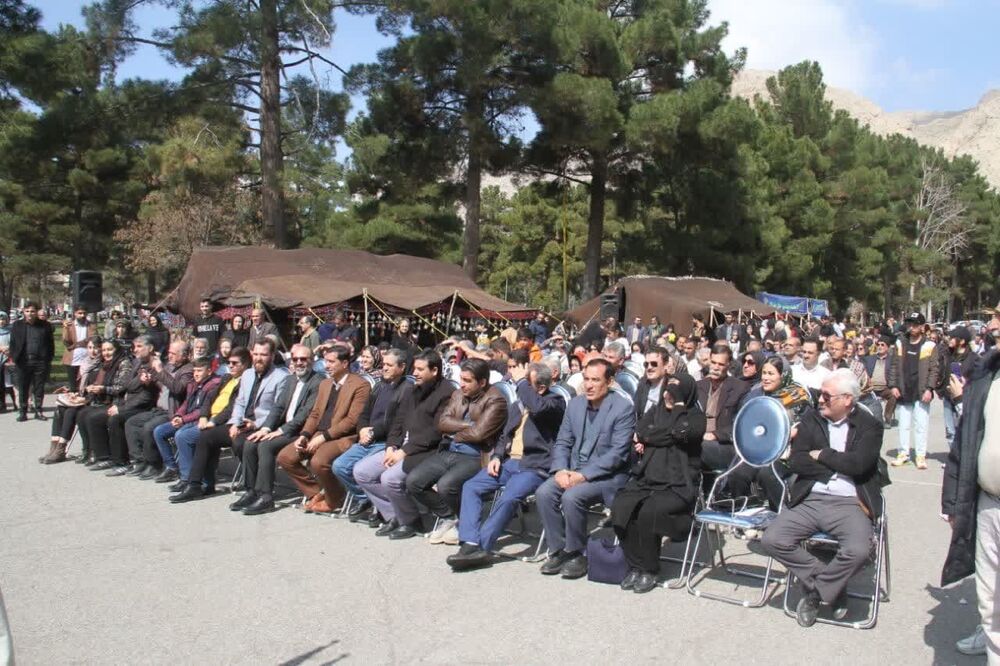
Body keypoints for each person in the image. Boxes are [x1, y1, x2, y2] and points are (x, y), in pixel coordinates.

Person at [761, 369, 885, 627]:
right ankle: (833, 586)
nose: (820, 400)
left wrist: (825, 455)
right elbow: (796, 461)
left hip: (850, 502)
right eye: (820, 394)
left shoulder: (870, 425)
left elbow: (860, 465)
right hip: (812, 497)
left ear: (847, 399)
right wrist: (839, 464)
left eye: (827, 396)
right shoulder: (811, 419)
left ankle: (816, 593)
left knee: (859, 550)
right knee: (773, 539)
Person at [447, 361, 564, 570]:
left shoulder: (554, 403)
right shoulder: (518, 405)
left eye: (527, 384)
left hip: (534, 466)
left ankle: (482, 546)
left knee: (509, 496)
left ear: (541, 387)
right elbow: (504, 435)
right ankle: (470, 542)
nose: (521, 389)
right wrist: (497, 457)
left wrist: (520, 381)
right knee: (471, 487)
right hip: (509, 462)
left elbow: (537, 407)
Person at [536, 358, 635, 579]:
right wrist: (560, 469)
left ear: (609, 382)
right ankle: (559, 549)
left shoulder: (622, 408)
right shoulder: (576, 404)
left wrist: (583, 475)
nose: (588, 385)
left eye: (595, 380)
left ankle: (576, 553)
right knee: (544, 492)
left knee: (572, 497)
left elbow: (618, 454)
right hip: (572, 469)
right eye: (586, 379)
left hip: (607, 476)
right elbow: (562, 442)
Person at [612, 373, 706, 593]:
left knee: (647, 512)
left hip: (678, 484)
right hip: (648, 478)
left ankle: (650, 568)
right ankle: (635, 564)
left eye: (675, 392)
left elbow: (682, 434)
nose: (669, 395)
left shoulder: (695, 417)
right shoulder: (655, 411)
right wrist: (660, 434)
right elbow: (641, 431)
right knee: (621, 506)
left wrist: (678, 411)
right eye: (667, 389)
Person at [170, 339, 289, 502]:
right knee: (206, 436)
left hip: (261, 426)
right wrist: (234, 423)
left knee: (241, 443)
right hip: (240, 423)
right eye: (256, 354)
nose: (259, 358)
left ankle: (252, 489)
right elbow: (239, 402)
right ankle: (195, 485)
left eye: (264, 354)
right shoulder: (247, 374)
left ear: (272, 355)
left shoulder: (281, 377)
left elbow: (278, 410)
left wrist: (255, 424)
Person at [354, 350, 454, 539]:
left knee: (390, 478)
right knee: (362, 471)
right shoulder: (413, 389)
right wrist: (391, 446)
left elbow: (435, 433)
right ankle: (395, 516)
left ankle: (411, 522)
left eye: (420, 369)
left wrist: (404, 452)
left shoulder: (446, 393)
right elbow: (398, 423)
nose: (414, 373)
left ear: (434, 371)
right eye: (414, 368)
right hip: (401, 447)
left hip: (427, 450)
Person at [407, 358, 507, 546]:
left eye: (468, 381)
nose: (462, 384)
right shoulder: (458, 394)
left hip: (476, 455)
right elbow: (442, 423)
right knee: (414, 482)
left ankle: (465, 524)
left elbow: (479, 434)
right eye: (461, 379)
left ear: (482, 382)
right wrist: (469, 425)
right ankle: (450, 517)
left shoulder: (496, 400)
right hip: (450, 450)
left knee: (447, 485)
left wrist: (457, 433)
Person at [941, 347, 1000, 660]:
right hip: (989, 503)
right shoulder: (987, 377)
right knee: (989, 595)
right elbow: (964, 443)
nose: (994, 324)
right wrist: (953, 502)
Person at [275, 345, 371, 514]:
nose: (326, 366)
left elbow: (351, 421)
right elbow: (315, 414)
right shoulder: (325, 384)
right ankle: (318, 491)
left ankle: (334, 499)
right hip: (319, 434)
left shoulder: (360, 385)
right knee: (285, 457)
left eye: (331, 362)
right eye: (325, 361)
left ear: (345, 363)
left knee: (318, 462)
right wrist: (304, 435)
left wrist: (323, 437)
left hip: (343, 437)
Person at [229, 344, 324, 515]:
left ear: (312, 361)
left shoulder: (318, 382)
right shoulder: (290, 379)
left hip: (301, 432)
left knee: (265, 446)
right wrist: (266, 428)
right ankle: (251, 491)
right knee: (251, 442)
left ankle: (266, 497)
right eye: (296, 359)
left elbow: (305, 414)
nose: (300, 363)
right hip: (283, 428)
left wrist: (280, 431)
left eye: (304, 359)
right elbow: (278, 408)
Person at [332, 349, 409, 524]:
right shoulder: (379, 386)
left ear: (402, 367)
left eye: (389, 365)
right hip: (367, 437)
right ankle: (367, 498)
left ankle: (383, 508)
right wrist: (362, 429)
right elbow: (364, 413)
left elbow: (397, 423)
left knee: (362, 469)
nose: (385, 369)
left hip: (385, 441)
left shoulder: (406, 390)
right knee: (339, 466)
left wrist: (373, 432)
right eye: (383, 365)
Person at [725, 356, 813, 509]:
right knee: (738, 473)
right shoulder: (756, 395)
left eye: (771, 374)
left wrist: (793, 431)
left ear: (783, 375)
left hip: (787, 452)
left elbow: (808, 426)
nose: (765, 378)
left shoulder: (798, 396)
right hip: (760, 448)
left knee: (767, 474)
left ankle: (779, 513)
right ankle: (744, 512)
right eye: (764, 373)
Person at [166, 347, 250, 495]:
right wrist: (204, 416)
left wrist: (213, 421)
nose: (230, 366)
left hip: (225, 422)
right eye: (229, 362)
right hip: (207, 418)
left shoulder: (245, 382)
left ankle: (192, 481)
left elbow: (232, 408)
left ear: (245, 365)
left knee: (186, 436)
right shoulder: (227, 378)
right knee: (180, 433)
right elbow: (209, 399)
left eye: (235, 363)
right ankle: (199, 481)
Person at [117, 339, 194, 479]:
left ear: (184, 355)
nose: (169, 356)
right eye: (169, 352)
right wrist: (149, 381)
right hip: (158, 409)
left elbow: (177, 388)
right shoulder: (170, 367)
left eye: (173, 353)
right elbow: (162, 384)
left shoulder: (188, 370)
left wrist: (159, 370)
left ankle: (154, 464)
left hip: (172, 412)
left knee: (149, 427)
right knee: (132, 422)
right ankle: (140, 461)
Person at [80, 338, 156, 472]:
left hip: (142, 407)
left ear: (150, 348)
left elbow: (145, 396)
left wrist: (121, 408)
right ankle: (103, 457)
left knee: (115, 418)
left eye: (139, 346)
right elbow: (126, 385)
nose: (135, 349)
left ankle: (121, 462)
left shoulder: (151, 365)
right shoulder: (137, 362)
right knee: (90, 416)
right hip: (126, 403)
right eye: (134, 346)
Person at [147, 358, 221, 483]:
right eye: (195, 371)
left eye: (200, 371)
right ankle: (171, 467)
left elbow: (203, 410)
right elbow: (186, 403)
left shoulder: (213, 384)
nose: (196, 374)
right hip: (186, 419)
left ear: (209, 371)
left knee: (181, 435)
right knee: (159, 431)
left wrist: (183, 419)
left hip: (202, 421)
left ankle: (186, 478)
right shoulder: (192, 383)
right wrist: (178, 415)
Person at [889, 312, 940, 470]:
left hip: (921, 391)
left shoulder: (930, 345)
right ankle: (903, 453)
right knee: (903, 424)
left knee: (921, 425)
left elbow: (934, 370)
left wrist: (930, 389)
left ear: (923, 327)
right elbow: (894, 366)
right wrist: (893, 386)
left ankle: (920, 455)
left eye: (915, 324)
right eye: (910, 324)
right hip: (904, 389)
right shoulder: (900, 343)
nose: (912, 327)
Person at [44, 335, 103, 464]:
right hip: (82, 397)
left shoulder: (102, 365)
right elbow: (79, 385)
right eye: (90, 348)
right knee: (59, 409)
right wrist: (72, 392)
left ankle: (61, 449)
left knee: (71, 412)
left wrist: (83, 397)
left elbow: (97, 388)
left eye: (96, 348)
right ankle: (54, 446)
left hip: (95, 400)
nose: (93, 351)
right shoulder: (85, 362)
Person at [697, 345, 751, 471]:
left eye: (720, 364)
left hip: (723, 445)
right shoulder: (699, 386)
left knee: (700, 447)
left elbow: (741, 424)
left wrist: (715, 435)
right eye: (713, 362)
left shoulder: (740, 388)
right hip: (697, 438)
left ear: (728, 365)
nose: (715, 367)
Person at [8, 302, 55, 421]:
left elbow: (50, 344)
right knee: (23, 387)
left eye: (32, 311)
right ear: (23, 312)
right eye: (27, 311)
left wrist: (48, 359)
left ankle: (38, 410)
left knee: (39, 387)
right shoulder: (17, 325)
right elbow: (13, 343)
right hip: (23, 361)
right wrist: (14, 357)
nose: (30, 314)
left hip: (40, 361)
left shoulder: (45, 326)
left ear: (37, 312)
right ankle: (23, 411)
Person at [939, 326, 981, 453]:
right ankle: (953, 456)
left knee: (963, 429)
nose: (950, 339)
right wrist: (939, 389)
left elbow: (978, 378)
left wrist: (967, 383)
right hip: (947, 397)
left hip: (964, 398)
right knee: (950, 431)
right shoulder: (946, 353)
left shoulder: (974, 358)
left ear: (962, 341)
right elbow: (940, 372)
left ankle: (962, 458)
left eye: (953, 337)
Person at [863, 336, 897, 426]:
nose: (880, 347)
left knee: (893, 395)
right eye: (878, 344)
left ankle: (887, 418)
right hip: (871, 389)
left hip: (885, 388)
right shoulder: (869, 359)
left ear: (888, 347)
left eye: (883, 345)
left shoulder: (892, 360)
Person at [61, 307, 97, 389]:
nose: (82, 315)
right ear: (75, 313)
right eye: (80, 313)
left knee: (85, 385)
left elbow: (93, 339)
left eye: (84, 313)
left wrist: (78, 344)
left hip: (87, 359)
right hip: (72, 359)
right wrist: (65, 328)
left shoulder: (91, 325)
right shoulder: (69, 325)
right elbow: (66, 342)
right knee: (73, 386)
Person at [634, 347, 670, 419]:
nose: (649, 367)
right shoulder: (643, 383)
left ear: (665, 365)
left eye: (654, 364)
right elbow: (636, 410)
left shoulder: (672, 386)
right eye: (646, 364)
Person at [0, 312, 18, 413]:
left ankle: (16, 402)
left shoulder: (11, 330)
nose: (1, 322)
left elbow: (16, 343)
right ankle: (2, 404)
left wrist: (9, 349)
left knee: (10, 383)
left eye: (3, 319)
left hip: (9, 359)